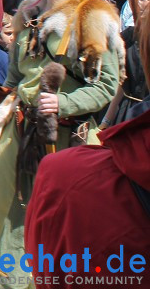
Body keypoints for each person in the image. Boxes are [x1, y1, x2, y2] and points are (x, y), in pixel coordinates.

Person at [0, 0, 123, 286]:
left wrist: (65, 104)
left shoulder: (93, 16)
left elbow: (106, 85)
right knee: (4, 214)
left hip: (66, 141)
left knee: (58, 225)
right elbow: (14, 78)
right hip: (20, 130)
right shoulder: (28, 13)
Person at [24, 99, 150, 284]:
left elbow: (107, 86)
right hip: (29, 127)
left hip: (76, 132)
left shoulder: (64, 177)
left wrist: (64, 103)